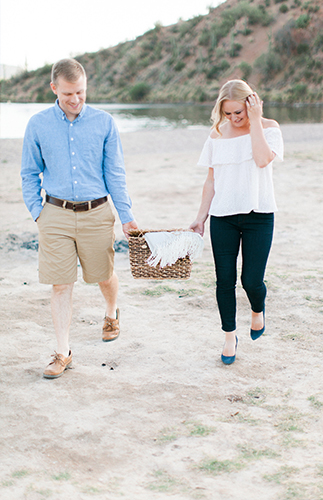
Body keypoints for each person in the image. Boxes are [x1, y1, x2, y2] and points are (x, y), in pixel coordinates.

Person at [21, 58, 138, 378]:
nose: (75, 100)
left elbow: (115, 173)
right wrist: (38, 213)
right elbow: (29, 173)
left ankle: (112, 313)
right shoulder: (38, 124)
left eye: (81, 93)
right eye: (69, 94)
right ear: (54, 88)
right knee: (61, 284)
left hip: (96, 213)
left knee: (103, 275)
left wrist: (127, 216)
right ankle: (62, 352)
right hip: (54, 214)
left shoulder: (104, 123)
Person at [190, 79, 283, 365]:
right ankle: (229, 336)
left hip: (259, 215)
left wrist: (254, 121)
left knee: (251, 280)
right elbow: (211, 180)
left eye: (238, 113)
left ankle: (257, 310)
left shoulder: (269, 128)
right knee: (224, 280)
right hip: (223, 218)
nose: (233, 118)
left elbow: (262, 158)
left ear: (250, 104)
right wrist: (200, 217)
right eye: (228, 113)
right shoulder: (217, 134)